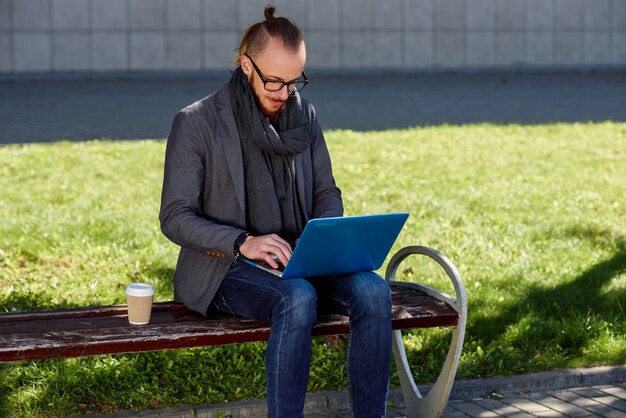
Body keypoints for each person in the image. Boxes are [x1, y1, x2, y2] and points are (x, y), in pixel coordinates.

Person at [159, 5, 392, 417]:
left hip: (301, 256)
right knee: (298, 297)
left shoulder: (305, 115)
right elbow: (175, 216)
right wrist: (244, 242)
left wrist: (323, 236)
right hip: (228, 267)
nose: (285, 94)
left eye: (294, 81)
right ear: (246, 65)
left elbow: (327, 190)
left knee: (374, 291)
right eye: (274, 81)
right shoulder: (196, 123)